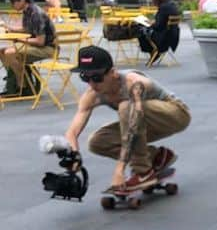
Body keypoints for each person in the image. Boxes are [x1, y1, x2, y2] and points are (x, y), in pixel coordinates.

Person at [64, 46, 190, 194]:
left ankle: (143, 172)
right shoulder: (91, 95)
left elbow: (132, 125)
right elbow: (72, 132)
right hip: (141, 124)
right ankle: (156, 157)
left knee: (126, 107)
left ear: (113, 73)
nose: (91, 84)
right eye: (85, 77)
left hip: (175, 115)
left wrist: (120, 170)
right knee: (97, 142)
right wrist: (74, 155)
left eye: (97, 77)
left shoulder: (134, 83)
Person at [1, 0, 55, 98]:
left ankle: (23, 87)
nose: (11, 5)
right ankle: (17, 81)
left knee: (9, 53)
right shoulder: (28, 11)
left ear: (22, 0)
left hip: (47, 48)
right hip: (36, 45)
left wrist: (18, 39)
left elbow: (40, 42)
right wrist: (11, 30)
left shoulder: (35, 13)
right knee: (2, 51)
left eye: (13, 2)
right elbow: (27, 29)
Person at [138, 0, 180, 64]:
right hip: (173, 34)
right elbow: (163, 21)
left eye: (153, 1)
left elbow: (158, 26)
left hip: (163, 37)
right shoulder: (172, 4)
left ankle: (153, 52)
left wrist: (150, 24)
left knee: (140, 30)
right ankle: (154, 52)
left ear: (157, 0)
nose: (153, 3)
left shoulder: (163, 7)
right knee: (144, 29)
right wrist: (153, 23)